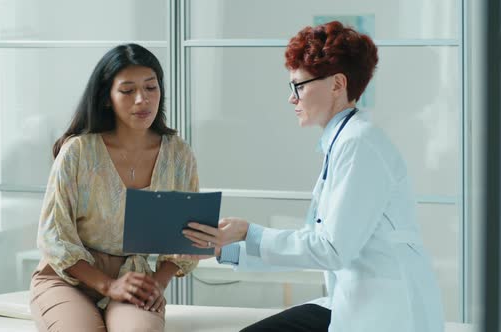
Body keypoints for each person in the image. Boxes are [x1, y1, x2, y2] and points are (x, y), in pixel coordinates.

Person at [182, 21, 444, 332]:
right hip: (353, 300)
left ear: (337, 84)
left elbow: (329, 249)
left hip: (387, 312)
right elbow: (314, 246)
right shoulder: (345, 141)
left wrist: (247, 232)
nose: (292, 98)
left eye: (300, 86)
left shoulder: (359, 144)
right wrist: (225, 248)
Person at [30, 43, 199, 332]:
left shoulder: (178, 154)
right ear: (107, 97)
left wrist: (157, 283)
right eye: (127, 90)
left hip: (133, 278)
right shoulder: (78, 151)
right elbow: (54, 236)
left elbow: (186, 235)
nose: (141, 99)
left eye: (150, 87)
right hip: (67, 278)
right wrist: (108, 285)